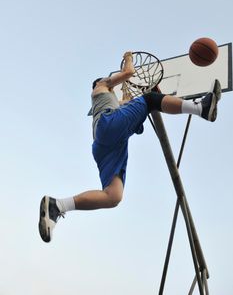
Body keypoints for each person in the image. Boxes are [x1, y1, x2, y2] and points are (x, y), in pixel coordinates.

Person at [38, 51, 221, 243]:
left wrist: (127, 91)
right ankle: (201, 108)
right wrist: (128, 58)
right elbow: (129, 72)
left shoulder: (113, 102)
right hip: (109, 127)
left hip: (105, 145)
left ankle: (58, 205)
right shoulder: (101, 86)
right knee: (150, 100)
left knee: (113, 196)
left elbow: (126, 100)